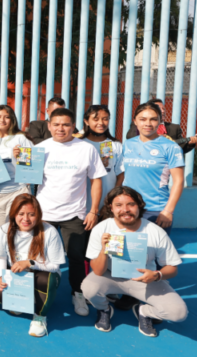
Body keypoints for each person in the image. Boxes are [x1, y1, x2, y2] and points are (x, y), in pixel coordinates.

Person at [82, 186, 188, 337]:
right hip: (110, 276)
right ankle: (104, 309)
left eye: (130, 204)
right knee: (89, 288)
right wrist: (104, 249)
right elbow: (98, 271)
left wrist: (156, 275)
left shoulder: (155, 231)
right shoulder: (102, 229)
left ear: (139, 206)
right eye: (118, 205)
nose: (125, 209)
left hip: (144, 280)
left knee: (178, 313)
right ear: (111, 208)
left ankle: (144, 311)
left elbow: (172, 268)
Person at [36, 107, 106, 316]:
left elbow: (96, 181)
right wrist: (20, 160)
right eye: (56, 124)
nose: (61, 128)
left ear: (74, 126)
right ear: (49, 126)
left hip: (74, 214)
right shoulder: (40, 148)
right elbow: (27, 179)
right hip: (43, 213)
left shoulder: (86, 149)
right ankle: (37, 293)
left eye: (66, 124)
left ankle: (78, 293)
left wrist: (93, 211)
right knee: (39, 256)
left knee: (76, 258)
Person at [0, 194, 65, 337]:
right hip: (19, 274)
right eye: (21, 214)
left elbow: (55, 266)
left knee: (47, 280)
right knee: (0, 294)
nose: (25, 219)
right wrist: (2, 276)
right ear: (14, 214)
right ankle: (21, 301)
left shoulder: (49, 231)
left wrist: (30, 263)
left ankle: (40, 316)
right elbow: (0, 257)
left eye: (31, 214)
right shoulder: (3, 230)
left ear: (38, 215)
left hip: (42, 274)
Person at [123, 101, 184, 236]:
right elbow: (123, 175)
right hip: (127, 208)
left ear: (160, 121)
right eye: (142, 119)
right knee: (126, 252)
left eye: (153, 119)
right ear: (135, 121)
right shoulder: (128, 144)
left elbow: (179, 181)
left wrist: (168, 211)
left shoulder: (171, 147)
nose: (148, 124)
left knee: (155, 254)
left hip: (155, 210)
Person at [0, 105, 34, 229]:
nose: (2, 120)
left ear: (12, 120)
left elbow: (32, 169)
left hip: (18, 191)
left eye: (7, 117)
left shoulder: (21, 138)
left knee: (19, 231)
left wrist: (19, 158)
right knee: (2, 233)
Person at [76, 104, 125, 213]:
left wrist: (112, 198)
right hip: (81, 206)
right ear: (86, 121)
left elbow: (120, 175)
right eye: (96, 119)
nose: (101, 123)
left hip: (106, 205)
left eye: (105, 119)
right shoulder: (78, 144)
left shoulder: (115, 145)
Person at [125, 98, 197, 154]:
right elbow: (130, 137)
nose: (163, 111)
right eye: (159, 109)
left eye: (163, 109)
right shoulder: (139, 124)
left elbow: (180, 148)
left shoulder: (174, 128)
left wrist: (190, 144)